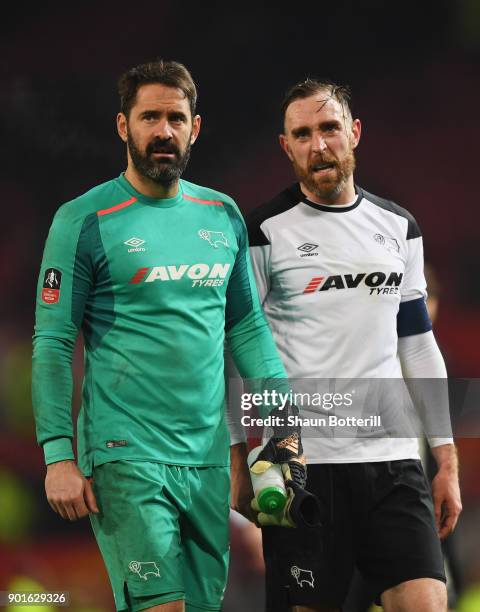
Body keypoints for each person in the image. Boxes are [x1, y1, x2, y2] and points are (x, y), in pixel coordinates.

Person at [31, 60, 303, 612]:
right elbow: (54, 342)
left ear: (195, 128)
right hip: (125, 455)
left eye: (175, 118)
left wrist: (280, 430)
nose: (163, 131)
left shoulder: (222, 214)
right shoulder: (84, 220)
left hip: (205, 461)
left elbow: (247, 329)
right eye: (149, 117)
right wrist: (58, 454)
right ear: (122, 126)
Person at [226, 79, 462, 611]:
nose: (319, 144)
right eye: (302, 134)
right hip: (298, 464)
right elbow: (236, 352)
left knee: (427, 602)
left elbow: (418, 344)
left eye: (329, 128)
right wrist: (240, 456)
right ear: (286, 147)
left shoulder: (399, 227)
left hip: (395, 460)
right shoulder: (262, 232)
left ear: (354, 133)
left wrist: (444, 458)